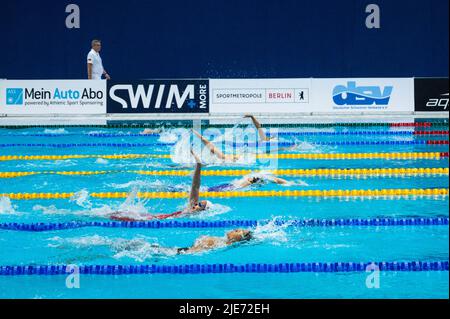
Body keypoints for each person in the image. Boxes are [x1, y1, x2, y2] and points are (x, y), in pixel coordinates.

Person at [109, 149, 210, 221]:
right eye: (198, 203)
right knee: (118, 215)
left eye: (200, 205)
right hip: (158, 217)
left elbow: (195, 187)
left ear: (203, 210)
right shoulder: (191, 208)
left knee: (119, 217)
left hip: (157, 219)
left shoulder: (193, 214)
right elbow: (195, 186)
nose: (196, 204)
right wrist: (198, 165)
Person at [176, 229, 253, 254]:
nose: (234, 230)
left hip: (186, 252)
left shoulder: (224, 244)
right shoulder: (222, 241)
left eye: (237, 231)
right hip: (187, 250)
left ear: (236, 240)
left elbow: (200, 249)